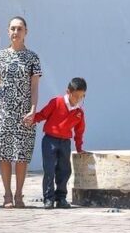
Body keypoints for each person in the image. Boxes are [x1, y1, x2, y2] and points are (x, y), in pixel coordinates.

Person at [0, 16, 42, 208]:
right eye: (12, 28)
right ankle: (7, 194)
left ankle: (19, 193)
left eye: (19, 28)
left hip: (24, 110)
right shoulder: (1, 56)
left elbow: (34, 86)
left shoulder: (32, 57)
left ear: (25, 32)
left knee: (21, 154)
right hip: (4, 110)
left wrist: (33, 109)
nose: (15, 32)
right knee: (3, 153)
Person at [28, 77, 87, 210]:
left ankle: (61, 198)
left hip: (65, 143)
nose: (77, 99)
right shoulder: (56, 102)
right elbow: (43, 114)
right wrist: (32, 119)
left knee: (64, 170)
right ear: (68, 92)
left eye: (81, 97)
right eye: (75, 96)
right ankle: (48, 199)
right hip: (50, 140)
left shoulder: (79, 113)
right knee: (49, 169)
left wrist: (79, 148)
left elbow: (79, 131)